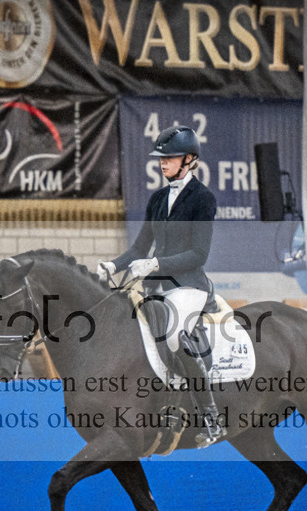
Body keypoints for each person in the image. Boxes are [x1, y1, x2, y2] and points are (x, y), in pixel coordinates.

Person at [96, 124, 225, 445]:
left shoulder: (203, 199)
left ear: (190, 160)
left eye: (169, 158)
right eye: (161, 159)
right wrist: (113, 265)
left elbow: (199, 254)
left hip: (189, 286)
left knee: (174, 336)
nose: (162, 163)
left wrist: (156, 264)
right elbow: (140, 247)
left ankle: (211, 419)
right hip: (157, 287)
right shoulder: (157, 199)